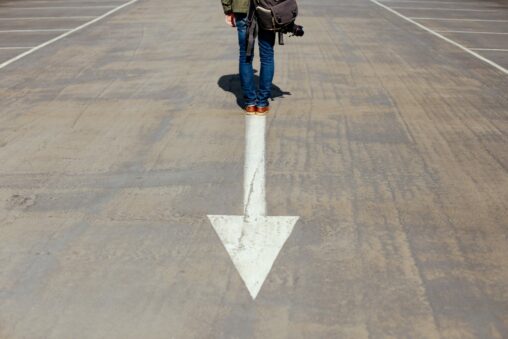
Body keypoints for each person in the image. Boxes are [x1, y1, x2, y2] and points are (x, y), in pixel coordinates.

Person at [221, 0, 275, 114]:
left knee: (245, 55)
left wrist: (228, 9)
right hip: (268, 7)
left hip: (242, 8)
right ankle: (262, 103)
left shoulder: (223, 78)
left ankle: (250, 103)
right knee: (267, 56)